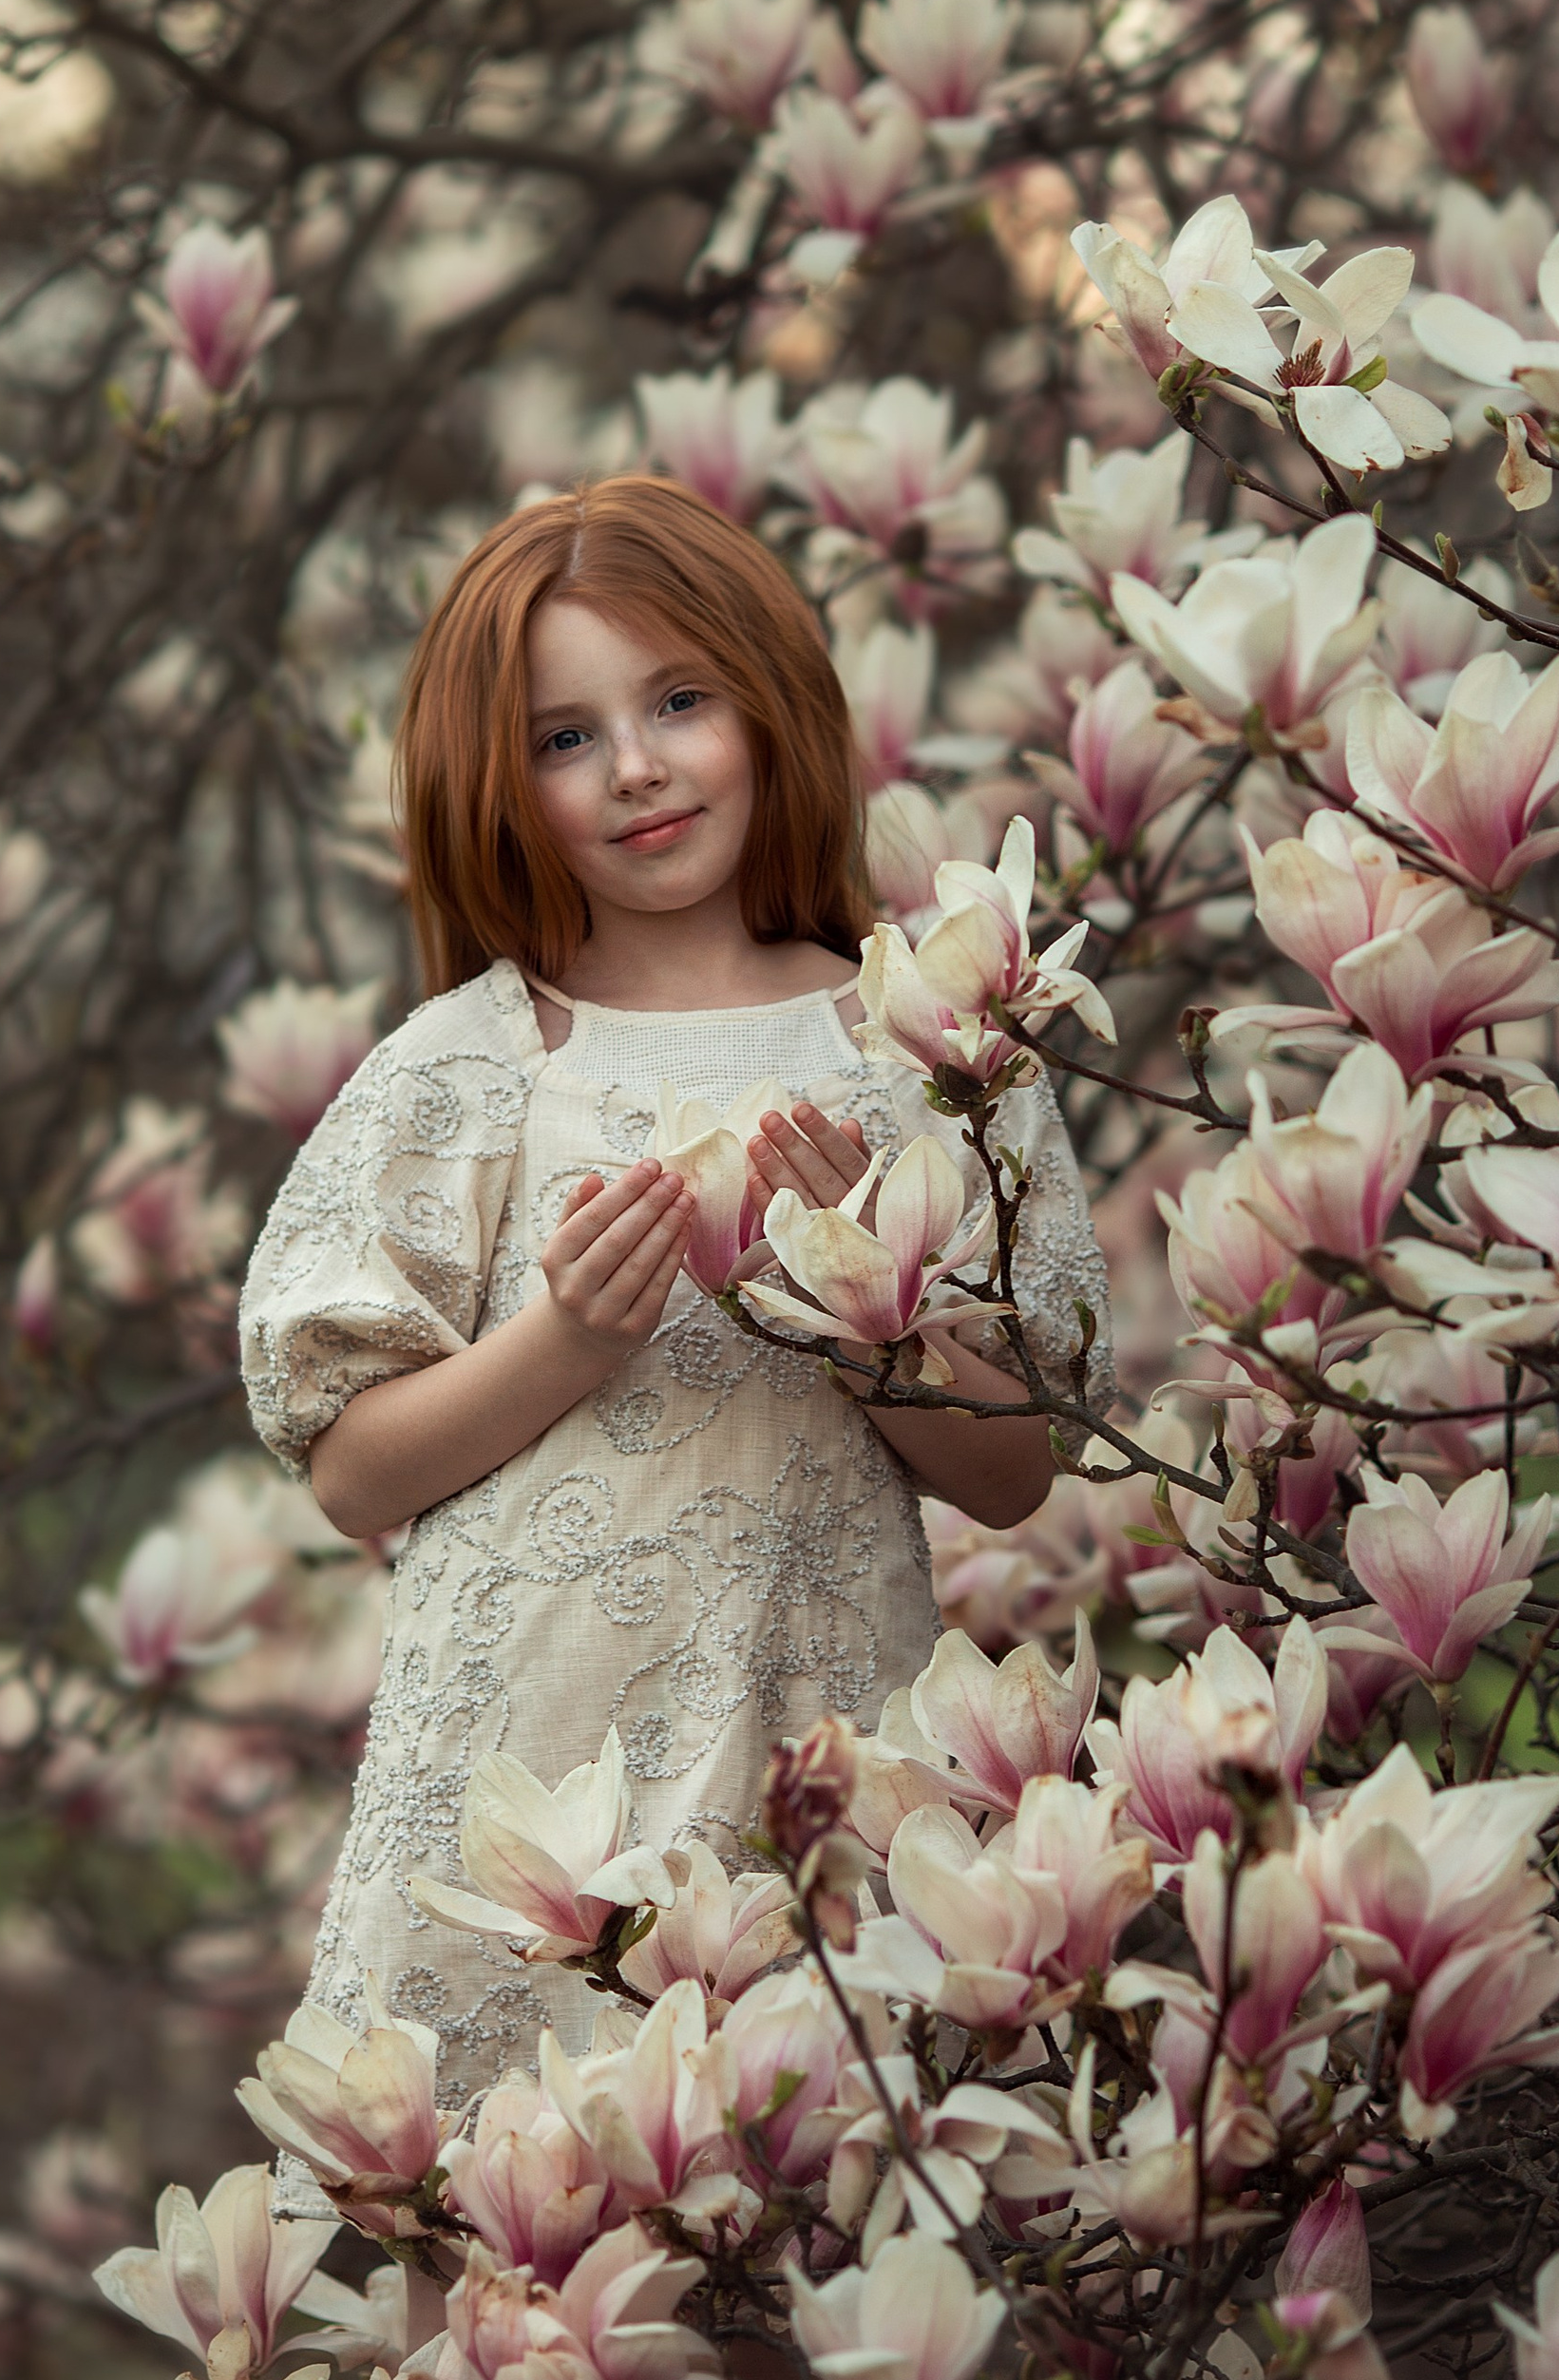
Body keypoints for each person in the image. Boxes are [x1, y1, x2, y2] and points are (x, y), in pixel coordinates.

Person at [240, 472, 1113, 2199]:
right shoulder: (476, 1061)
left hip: (813, 1731)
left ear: (768, 701)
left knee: (807, 2234)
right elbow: (350, 1465)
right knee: (525, 2266)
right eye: (565, 737)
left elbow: (1015, 1474)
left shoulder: (918, 1038)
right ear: (499, 783)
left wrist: (874, 1302)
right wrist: (560, 1338)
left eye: (678, 701)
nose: (635, 766)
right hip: (532, 1756)